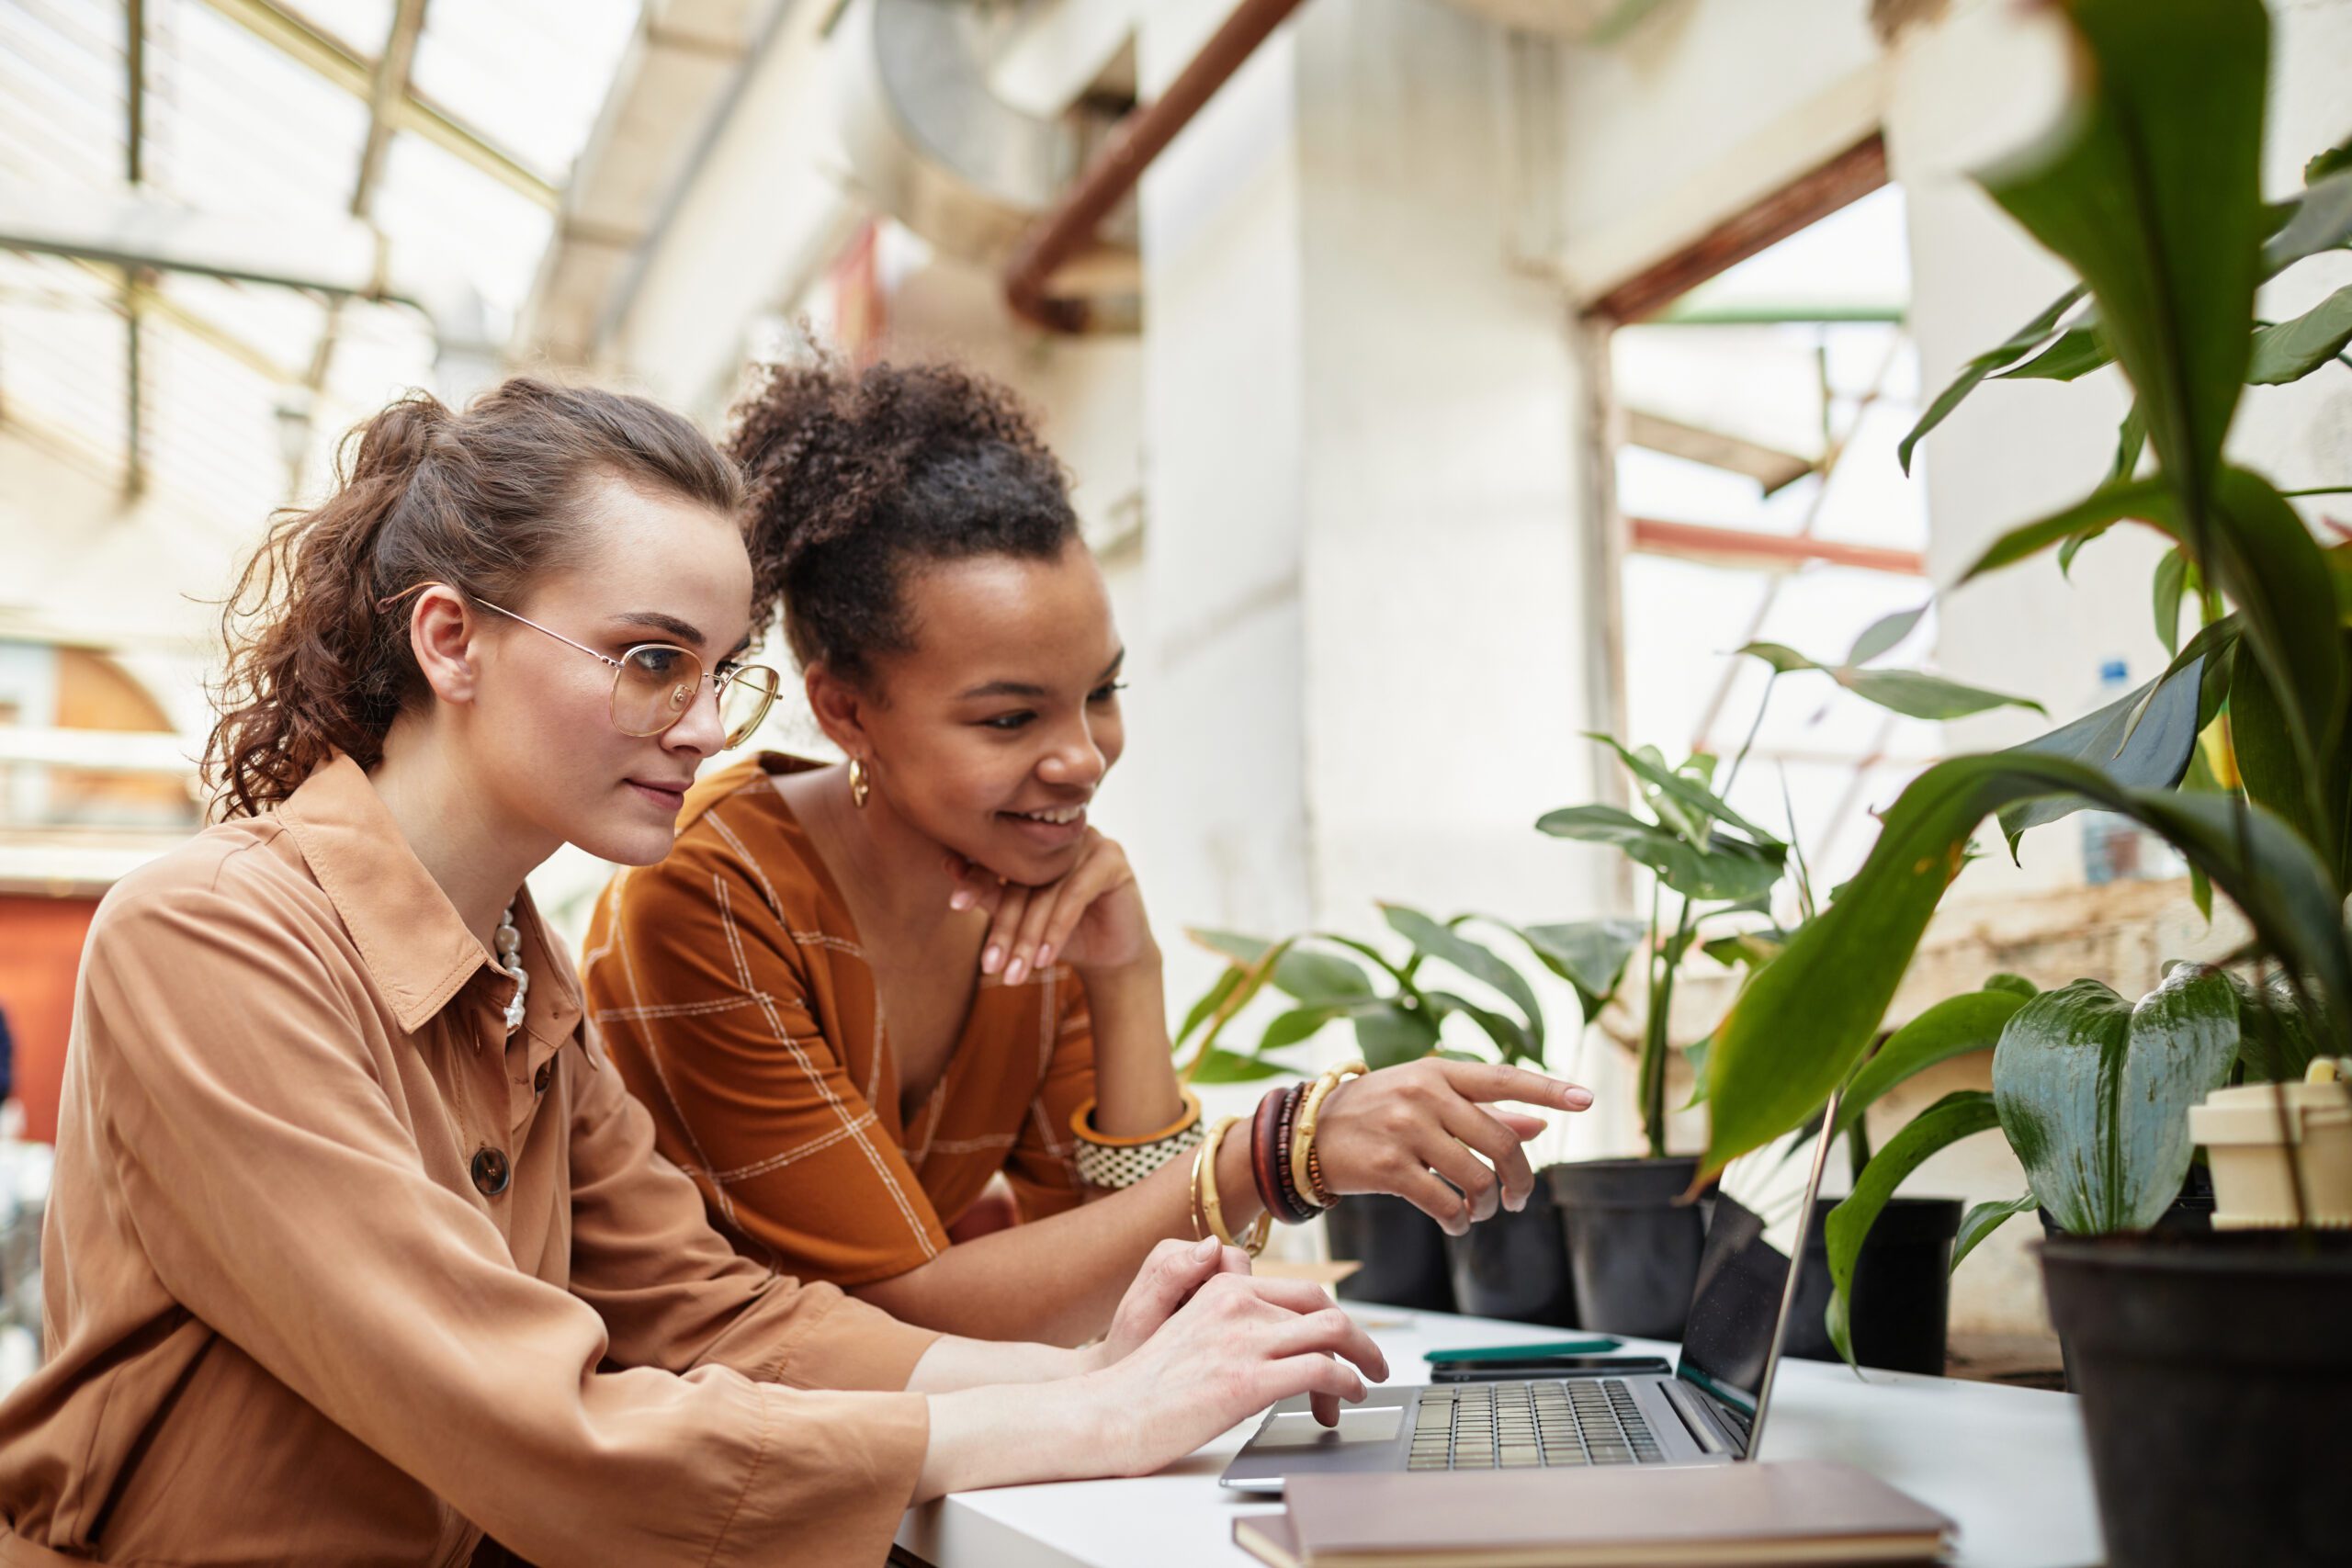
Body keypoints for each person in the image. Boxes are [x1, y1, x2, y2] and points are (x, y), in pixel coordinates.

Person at [0, 379, 1384, 1567]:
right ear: (449, 638)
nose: (708, 725)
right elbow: (525, 1414)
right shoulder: (209, 935)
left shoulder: (522, 976)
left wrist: (1093, 1373)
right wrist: (1085, 1410)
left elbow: (716, 1312)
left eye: (725, 669)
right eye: (652, 659)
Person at [583, 357, 1593, 1347]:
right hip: (683, 1465)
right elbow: (895, 1317)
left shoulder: (1030, 892)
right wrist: (1277, 1152)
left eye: (1101, 694)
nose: (1082, 759)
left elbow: (1130, 1277)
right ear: (846, 712)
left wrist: (1124, 977)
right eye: (1011, 718)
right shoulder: (706, 895)